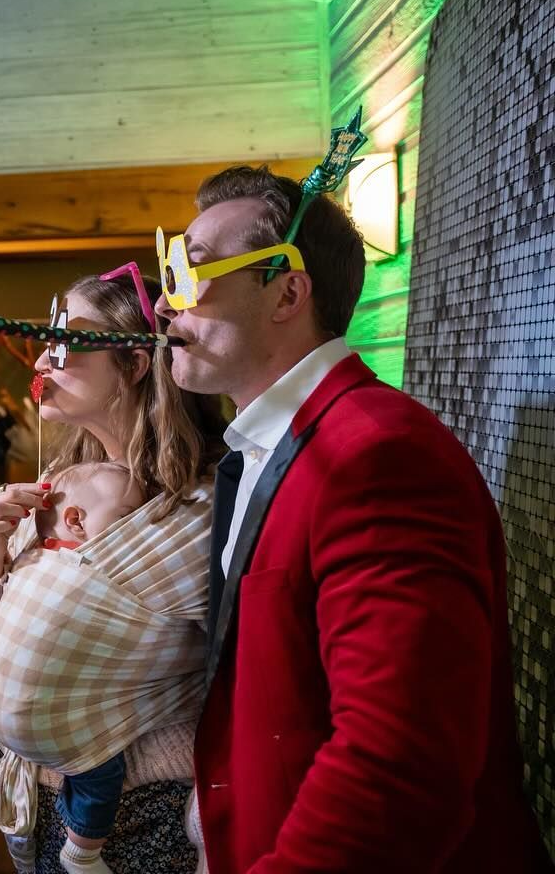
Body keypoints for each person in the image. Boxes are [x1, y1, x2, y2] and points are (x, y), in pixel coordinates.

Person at [156, 164, 554, 872]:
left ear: (287, 292)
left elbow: (400, 768)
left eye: (193, 273)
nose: (164, 305)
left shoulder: (377, 457)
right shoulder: (265, 447)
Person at [0, 269, 227, 874]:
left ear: (136, 361)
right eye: (45, 337)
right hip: (35, 799)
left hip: (141, 807)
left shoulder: (203, 511)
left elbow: (238, 687)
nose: (44, 356)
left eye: (66, 339)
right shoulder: (57, 487)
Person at [0, 460, 148, 874]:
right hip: (64, 721)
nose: (138, 531)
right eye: (126, 520)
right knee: (100, 767)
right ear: (76, 521)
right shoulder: (93, 572)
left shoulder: (29, 559)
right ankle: (82, 849)